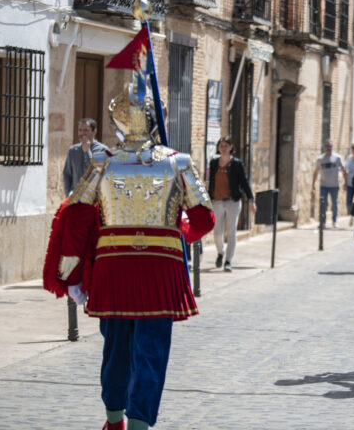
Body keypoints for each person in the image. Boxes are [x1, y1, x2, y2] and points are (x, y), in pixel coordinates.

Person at [43, 74, 215, 430]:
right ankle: (138, 423)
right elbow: (204, 218)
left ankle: (114, 419)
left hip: (114, 268)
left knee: (116, 347)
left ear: (116, 120)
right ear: (156, 121)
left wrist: (72, 267)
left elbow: (75, 213)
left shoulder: (103, 163)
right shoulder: (178, 162)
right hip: (162, 269)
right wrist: (181, 229)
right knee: (151, 350)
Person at [208, 136, 256, 271]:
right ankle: (220, 252)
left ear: (231, 147)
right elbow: (210, 182)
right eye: (221, 145)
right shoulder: (213, 163)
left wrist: (251, 200)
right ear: (218, 148)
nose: (223, 148)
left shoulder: (237, 164)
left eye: (225, 145)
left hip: (232, 202)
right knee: (217, 231)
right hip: (216, 201)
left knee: (231, 231)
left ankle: (228, 260)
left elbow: (245, 183)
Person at [62, 118, 109, 196]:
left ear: (94, 131)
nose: (82, 133)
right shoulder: (73, 151)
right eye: (80, 130)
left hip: (94, 199)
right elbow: (67, 174)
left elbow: (96, 173)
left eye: (86, 130)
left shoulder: (103, 150)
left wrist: (87, 151)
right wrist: (68, 193)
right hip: (75, 199)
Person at [312, 139, 347, 228]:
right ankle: (322, 222)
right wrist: (313, 185)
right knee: (323, 204)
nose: (329, 148)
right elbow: (315, 172)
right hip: (323, 185)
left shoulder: (337, 158)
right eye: (327, 146)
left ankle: (335, 221)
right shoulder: (320, 159)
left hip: (334, 185)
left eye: (330, 146)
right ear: (324, 147)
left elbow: (344, 170)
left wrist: (345, 182)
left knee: (334, 204)